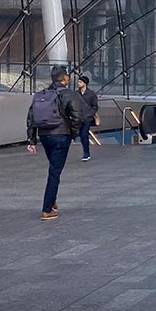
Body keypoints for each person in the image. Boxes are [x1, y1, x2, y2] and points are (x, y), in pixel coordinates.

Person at [26, 65, 83, 220]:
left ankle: (52, 200)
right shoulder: (69, 94)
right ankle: (46, 209)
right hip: (61, 135)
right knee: (54, 172)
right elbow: (78, 116)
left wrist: (31, 138)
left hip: (45, 136)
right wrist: (72, 133)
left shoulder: (41, 94)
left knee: (53, 168)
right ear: (66, 78)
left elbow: (31, 118)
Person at [75, 75, 98, 161]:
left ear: (85, 83)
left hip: (87, 118)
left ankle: (86, 153)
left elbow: (95, 106)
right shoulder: (76, 93)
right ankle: (86, 152)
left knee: (84, 134)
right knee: (81, 135)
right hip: (78, 117)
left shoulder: (91, 94)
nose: (78, 83)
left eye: (80, 82)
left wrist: (90, 114)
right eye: (78, 81)